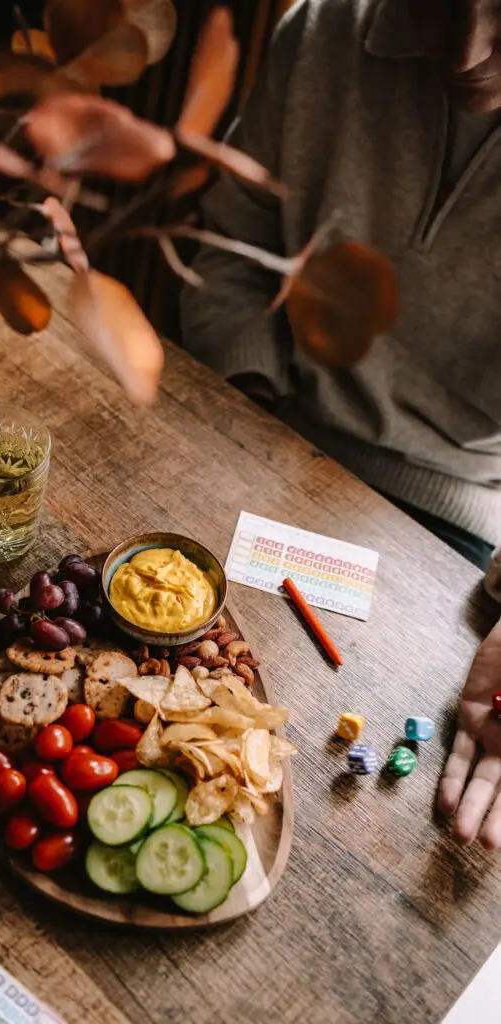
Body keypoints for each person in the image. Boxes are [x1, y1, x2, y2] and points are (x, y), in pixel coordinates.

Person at [181, 0, 501, 847]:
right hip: (262, 422)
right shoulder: (322, 30)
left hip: (461, 524)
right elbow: (224, 258)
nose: (465, 47)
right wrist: (246, 413)